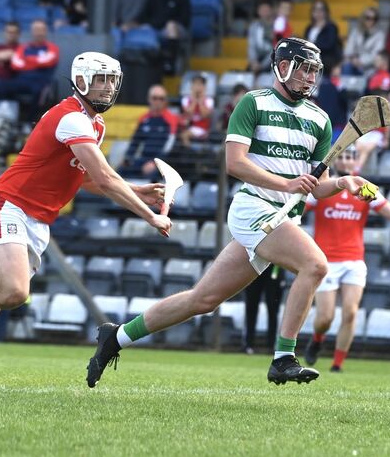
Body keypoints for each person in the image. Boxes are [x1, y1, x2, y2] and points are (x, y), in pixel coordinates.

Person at [85, 37, 375, 388]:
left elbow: (319, 185)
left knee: (201, 299)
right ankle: (284, 358)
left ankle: (114, 338)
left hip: (284, 218)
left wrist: (344, 184)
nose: (309, 77)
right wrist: (285, 184)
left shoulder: (320, 119)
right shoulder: (253, 103)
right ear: (282, 67)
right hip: (254, 207)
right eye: (303, 69)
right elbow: (234, 164)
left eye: (314, 71)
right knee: (315, 265)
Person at [0, 52, 172, 387]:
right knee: (13, 292)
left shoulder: (95, 124)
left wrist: (139, 191)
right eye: (101, 80)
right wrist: (150, 216)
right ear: (81, 80)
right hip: (9, 205)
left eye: (113, 81)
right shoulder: (72, 118)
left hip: (37, 219)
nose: (108, 88)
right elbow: (106, 177)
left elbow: (86, 179)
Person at [303, 146, 390, 372]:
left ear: (357, 161)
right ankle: (318, 338)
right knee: (325, 317)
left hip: (353, 259)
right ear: (336, 161)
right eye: (342, 157)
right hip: (327, 260)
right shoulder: (324, 188)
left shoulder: (364, 188)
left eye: (350, 157)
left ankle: (337, 365)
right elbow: (300, 209)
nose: (346, 161)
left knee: (350, 312)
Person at [0, 20, 59, 113]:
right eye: (36, 29)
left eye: (41, 29)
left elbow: (48, 61)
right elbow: (15, 64)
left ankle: (31, 123)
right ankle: (6, 115)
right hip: (20, 80)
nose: (38, 32)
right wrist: (36, 62)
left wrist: (26, 61)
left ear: (45, 31)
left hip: (40, 81)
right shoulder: (24, 47)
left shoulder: (52, 48)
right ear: (32, 31)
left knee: (39, 91)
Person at [120, 84, 180, 179]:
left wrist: (155, 163)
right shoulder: (144, 119)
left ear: (165, 101)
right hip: (143, 159)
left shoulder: (172, 119)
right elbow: (135, 142)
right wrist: (127, 158)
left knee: (152, 175)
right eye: (155, 98)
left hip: (162, 162)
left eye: (161, 99)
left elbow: (169, 147)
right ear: (149, 99)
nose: (158, 101)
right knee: (121, 171)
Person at [242, 264, 286, 355]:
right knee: (251, 307)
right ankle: (248, 344)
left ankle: (272, 345)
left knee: (273, 308)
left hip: (274, 266)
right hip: (255, 265)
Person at [342, 7, 385, 76]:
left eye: (374, 18)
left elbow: (376, 54)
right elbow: (348, 49)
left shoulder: (380, 35)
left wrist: (361, 61)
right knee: (346, 67)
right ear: (363, 18)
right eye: (368, 18)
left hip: (370, 68)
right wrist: (353, 59)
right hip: (353, 64)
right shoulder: (355, 32)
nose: (371, 21)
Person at [304, 0, 342, 76]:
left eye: (321, 10)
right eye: (315, 9)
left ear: (326, 12)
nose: (318, 12)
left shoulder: (331, 27)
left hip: (326, 58)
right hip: (310, 57)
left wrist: (311, 45)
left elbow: (328, 45)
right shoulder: (309, 28)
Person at [180, 74, 214, 146]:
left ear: (204, 87)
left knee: (184, 135)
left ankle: (192, 151)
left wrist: (201, 101)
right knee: (182, 134)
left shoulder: (209, 100)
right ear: (191, 86)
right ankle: (192, 150)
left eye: (200, 84)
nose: (197, 87)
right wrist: (194, 100)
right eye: (195, 84)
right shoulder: (185, 99)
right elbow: (189, 114)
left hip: (202, 128)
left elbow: (204, 115)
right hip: (189, 127)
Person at [248, 1, 275, 75]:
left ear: (271, 11)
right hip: (256, 60)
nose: (264, 13)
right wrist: (253, 61)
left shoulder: (276, 27)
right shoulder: (254, 26)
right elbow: (251, 46)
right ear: (258, 11)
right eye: (262, 10)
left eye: (267, 11)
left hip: (271, 61)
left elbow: (274, 49)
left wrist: (262, 65)